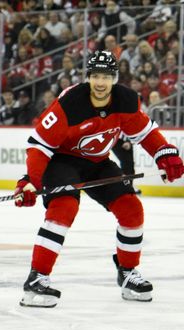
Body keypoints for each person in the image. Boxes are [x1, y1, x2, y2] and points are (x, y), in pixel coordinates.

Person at [14, 50, 184, 307]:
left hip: (98, 163)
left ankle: (127, 273)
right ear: (88, 78)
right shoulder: (70, 103)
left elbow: (146, 133)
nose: (101, 82)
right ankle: (37, 278)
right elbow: (39, 146)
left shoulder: (125, 101)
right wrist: (31, 181)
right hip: (62, 161)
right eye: (96, 76)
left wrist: (165, 154)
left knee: (131, 209)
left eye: (106, 76)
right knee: (64, 207)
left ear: (114, 78)